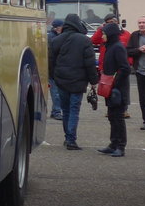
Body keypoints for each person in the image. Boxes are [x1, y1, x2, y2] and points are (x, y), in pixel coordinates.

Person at [48, 13, 98, 150]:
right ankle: (71, 139)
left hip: (61, 79)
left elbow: (51, 61)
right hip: (78, 79)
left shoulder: (56, 40)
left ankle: (67, 137)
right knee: (74, 109)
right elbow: (90, 63)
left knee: (65, 110)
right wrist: (93, 80)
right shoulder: (84, 40)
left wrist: (54, 76)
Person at [98, 21, 131, 156]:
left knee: (118, 118)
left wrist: (114, 83)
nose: (102, 36)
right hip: (110, 89)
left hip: (118, 89)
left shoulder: (118, 47)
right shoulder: (110, 47)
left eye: (104, 34)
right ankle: (113, 144)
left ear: (110, 34)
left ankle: (121, 146)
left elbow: (125, 68)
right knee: (112, 116)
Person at [48, 19, 64, 119]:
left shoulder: (52, 37)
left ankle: (55, 110)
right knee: (56, 92)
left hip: (54, 69)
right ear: (57, 28)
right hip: (53, 69)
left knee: (56, 92)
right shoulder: (53, 38)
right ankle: (56, 111)